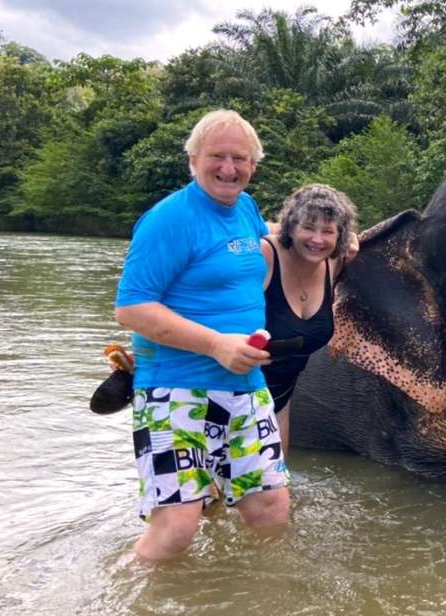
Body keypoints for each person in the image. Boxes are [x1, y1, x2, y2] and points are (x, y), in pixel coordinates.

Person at [114, 109, 290, 562]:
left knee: (271, 508)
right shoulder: (168, 219)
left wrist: (333, 237)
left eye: (240, 158)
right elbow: (130, 307)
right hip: (174, 390)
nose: (229, 168)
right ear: (193, 159)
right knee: (176, 526)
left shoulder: (245, 208)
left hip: (247, 389)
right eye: (217, 156)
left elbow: (261, 237)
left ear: (254, 165)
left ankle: (257, 598)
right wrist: (216, 344)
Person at [260, 184, 358, 456]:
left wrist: (353, 239)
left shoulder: (334, 263)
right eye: (308, 227)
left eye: (328, 231)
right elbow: (227, 235)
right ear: (290, 227)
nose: (317, 239)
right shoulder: (264, 255)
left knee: (276, 495)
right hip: (230, 394)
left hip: (280, 402)